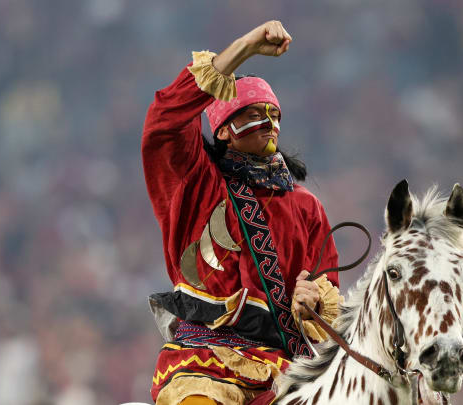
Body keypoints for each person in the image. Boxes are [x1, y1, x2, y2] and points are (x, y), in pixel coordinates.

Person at [141, 21, 341, 405]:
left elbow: (328, 293)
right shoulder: (195, 183)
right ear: (222, 130)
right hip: (203, 364)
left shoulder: (306, 206)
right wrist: (245, 47)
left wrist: (313, 300)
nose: (269, 124)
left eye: (273, 114)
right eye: (253, 114)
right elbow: (163, 123)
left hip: (286, 370)